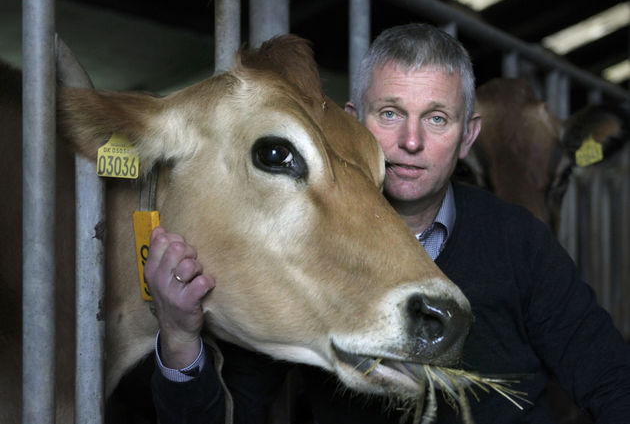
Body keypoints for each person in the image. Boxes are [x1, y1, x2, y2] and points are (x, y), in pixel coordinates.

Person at [145, 23, 630, 423]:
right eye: (391, 113)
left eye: (437, 119)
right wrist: (181, 338)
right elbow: (230, 415)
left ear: (467, 137)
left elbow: (610, 380)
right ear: (351, 124)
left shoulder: (518, 239)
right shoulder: (304, 245)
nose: (412, 141)